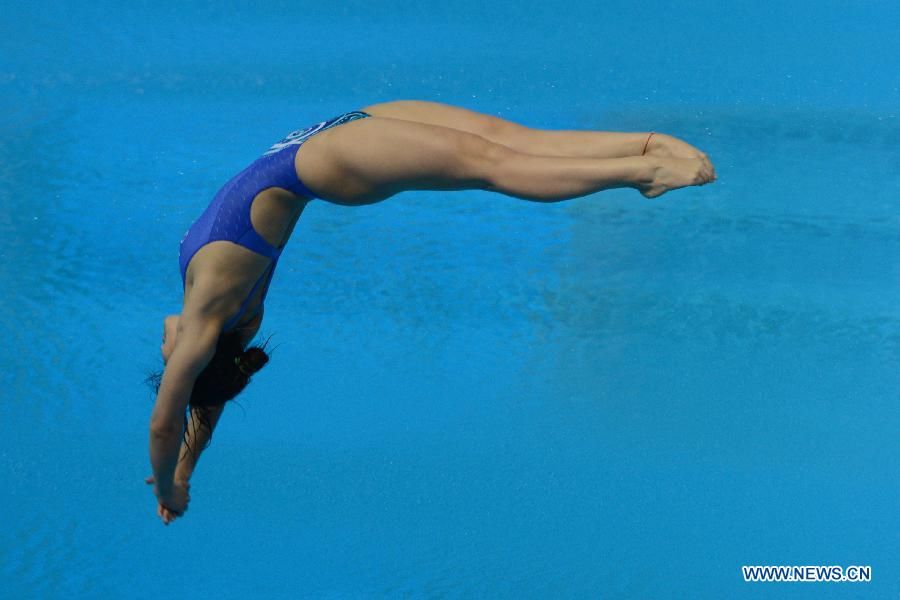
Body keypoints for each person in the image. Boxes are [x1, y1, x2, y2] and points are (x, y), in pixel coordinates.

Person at [145, 99, 717, 525]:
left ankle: (642, 147)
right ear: (195, 360)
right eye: (170, 364)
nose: (163, 351)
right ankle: (641, 174)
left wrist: (186, 472)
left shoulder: (217, 323)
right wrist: (167, 490)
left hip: (327, 135)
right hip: (323, 163)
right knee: (491, 164)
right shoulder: (206, 316)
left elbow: (203, 403)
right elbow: (167, 420)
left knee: (503, 137)